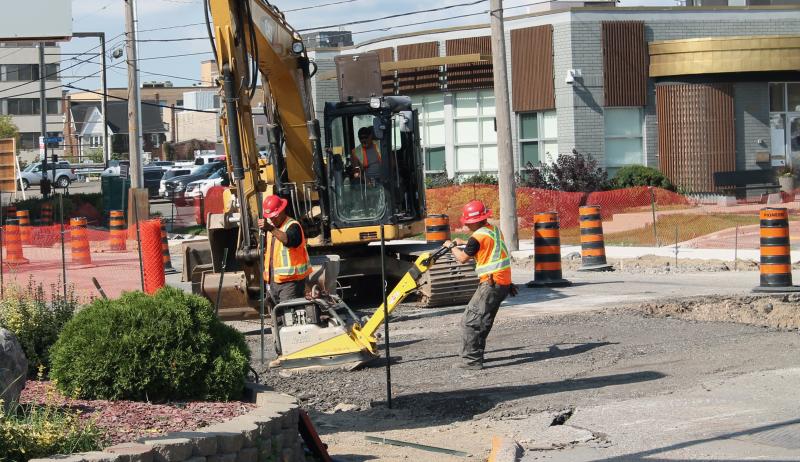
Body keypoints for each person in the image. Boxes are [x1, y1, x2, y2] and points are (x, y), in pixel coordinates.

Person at [444, 200, 513, 370]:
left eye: (467, 222)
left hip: (491, 283)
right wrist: (463, 242)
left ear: (475, 221)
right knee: (483, 320)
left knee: (471, 321)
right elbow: (483, 246)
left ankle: (471, 361)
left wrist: (451, 246)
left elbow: (462, 259)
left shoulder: (476, 238)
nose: (465, 224)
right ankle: (475, 356)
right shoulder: (493, 230)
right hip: (502, 283)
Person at [258, 194, 312, 304]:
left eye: (274, 216)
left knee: (289, 316)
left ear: (282, 211)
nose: (272, 219)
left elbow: (288, 241)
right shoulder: (272, 228)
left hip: (290, 284)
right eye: (270, 217)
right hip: (273, 283)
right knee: (278, 317)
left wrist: (270, 228)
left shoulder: (293, 226)